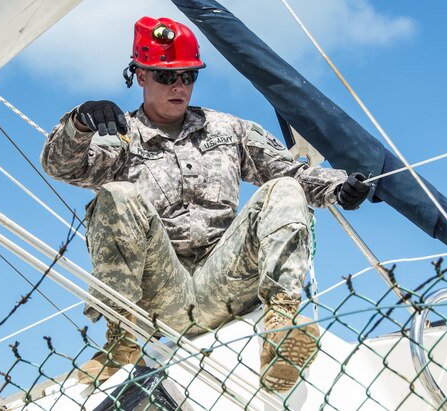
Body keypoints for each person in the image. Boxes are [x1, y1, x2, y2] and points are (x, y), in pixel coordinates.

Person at [40, 16, 371, 392]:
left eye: (188, 76)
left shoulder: (228, 130)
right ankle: (121, 340)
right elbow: (61, 166)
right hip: (158, 295)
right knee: (117, 195)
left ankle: (281, 328)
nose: (179, 86)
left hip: (227, 280)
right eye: (167, 77)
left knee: (283, 187)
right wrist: (80, 124)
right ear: (140, 75)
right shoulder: (123, 138)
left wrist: (338, 187)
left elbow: (290, 173)